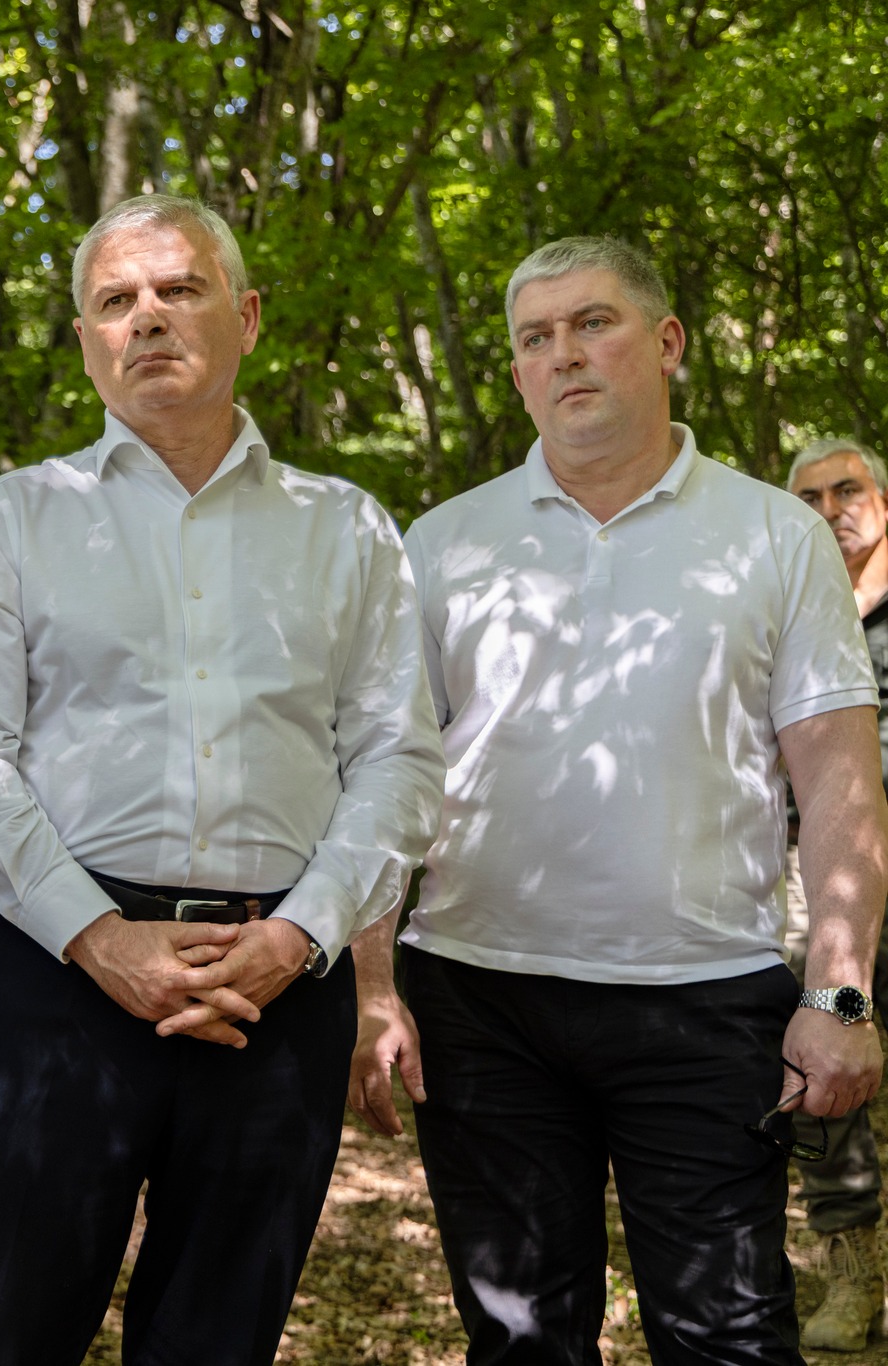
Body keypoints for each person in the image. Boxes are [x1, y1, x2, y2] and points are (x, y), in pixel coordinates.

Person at [0, 194, 445, 1365]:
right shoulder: (12, 520)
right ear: (85, 341)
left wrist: (300, 936)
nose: (145, 317)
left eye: (177, 289)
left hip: (278, 986)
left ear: (244, 317)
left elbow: (398, 759)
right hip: (57, 975)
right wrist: (102, 940)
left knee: (216, 1339)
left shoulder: (346, 530)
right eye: (115, 300)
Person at [348, 237, 888, 1364]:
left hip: (704, 998)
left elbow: (838, 778)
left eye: (592, 323)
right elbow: (383, 773)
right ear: (515, 371)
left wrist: (838, 994)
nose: (564, 354)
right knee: (520, 1340)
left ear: (666, 341)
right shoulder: (443, 542)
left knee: (728, 1338)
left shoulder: (775, 534)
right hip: (479, 1000)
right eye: (534, 337)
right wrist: (371, 984)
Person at [783, 437, 888, 1350]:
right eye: (809, 498)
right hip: (818, 886)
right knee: (822, 1050)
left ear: (882, 503)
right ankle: (852, 1272)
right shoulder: (788, 607)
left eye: (847, 490)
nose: (830, 510)